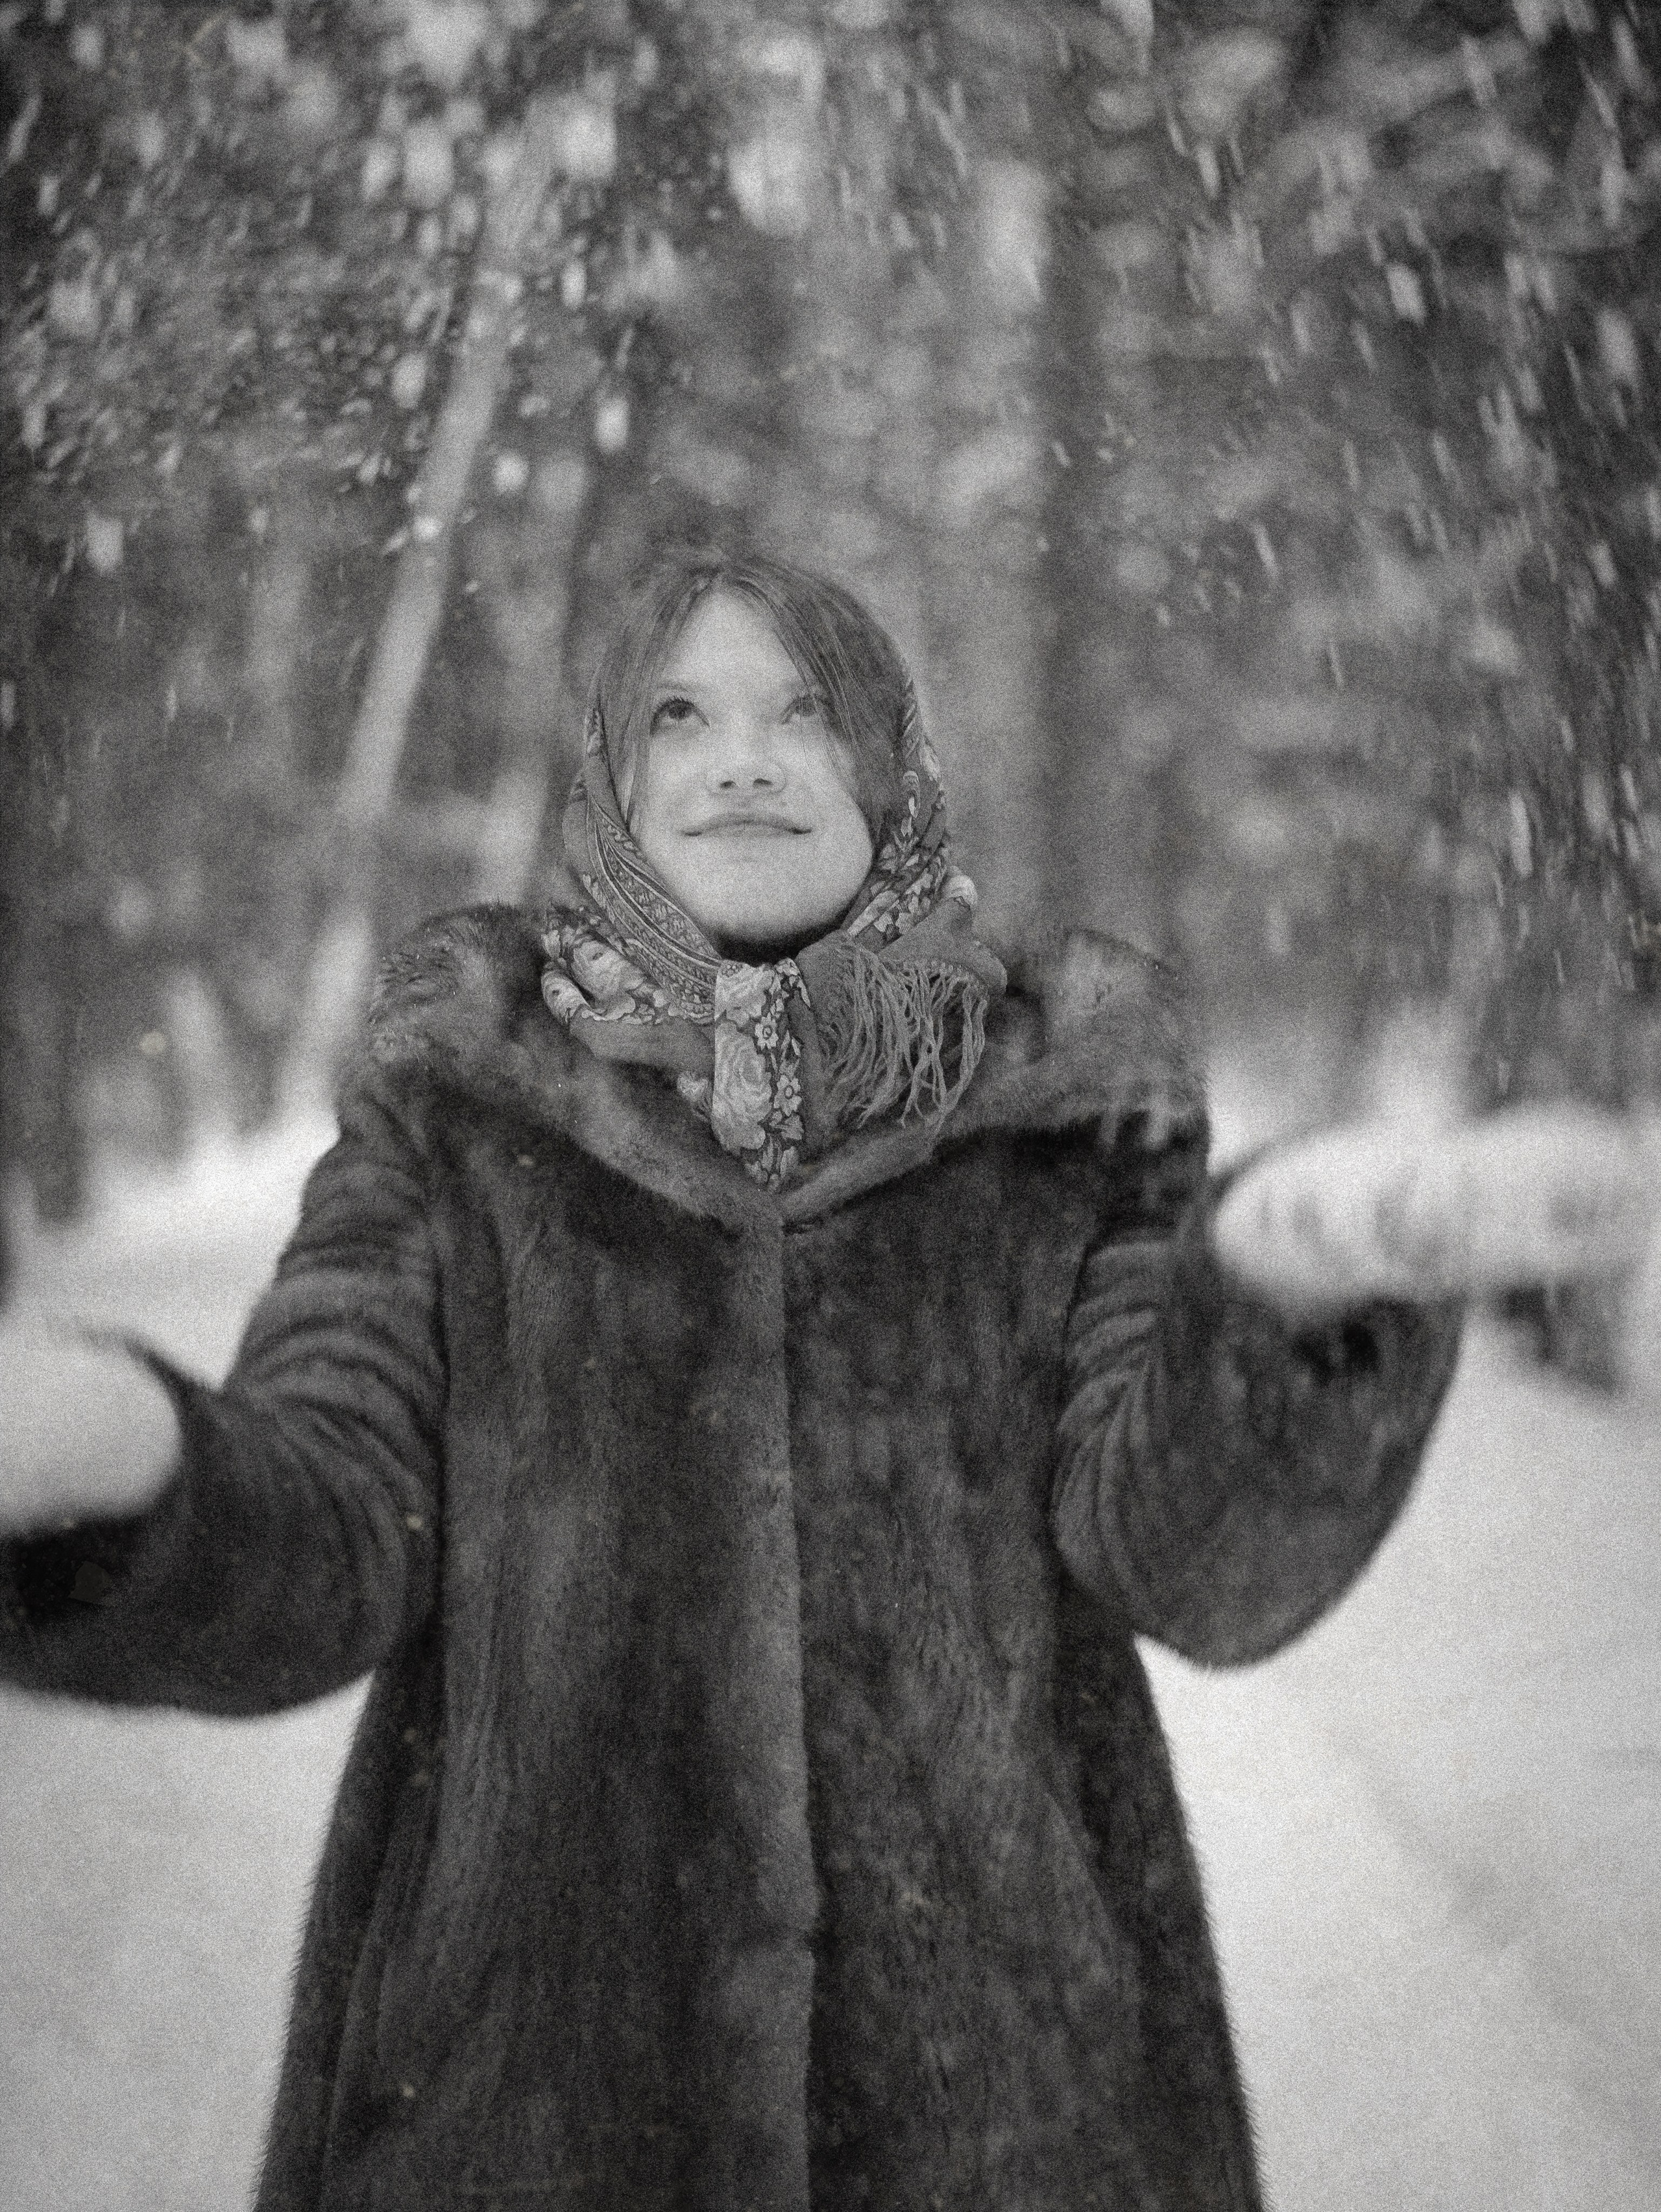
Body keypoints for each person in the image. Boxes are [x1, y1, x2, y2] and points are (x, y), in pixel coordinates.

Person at [0, 547, 1462, 2211]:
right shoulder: (466, 1110)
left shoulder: (1060, 1125)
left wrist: (1278, 1314)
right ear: (616, 783)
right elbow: (327, 1521)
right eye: (679, 716)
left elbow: (1182, 1555)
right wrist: (124, 1467)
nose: (743, 758)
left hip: (1015, 2131)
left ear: (890, 767)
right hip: (514, 2118)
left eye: (801, 711)